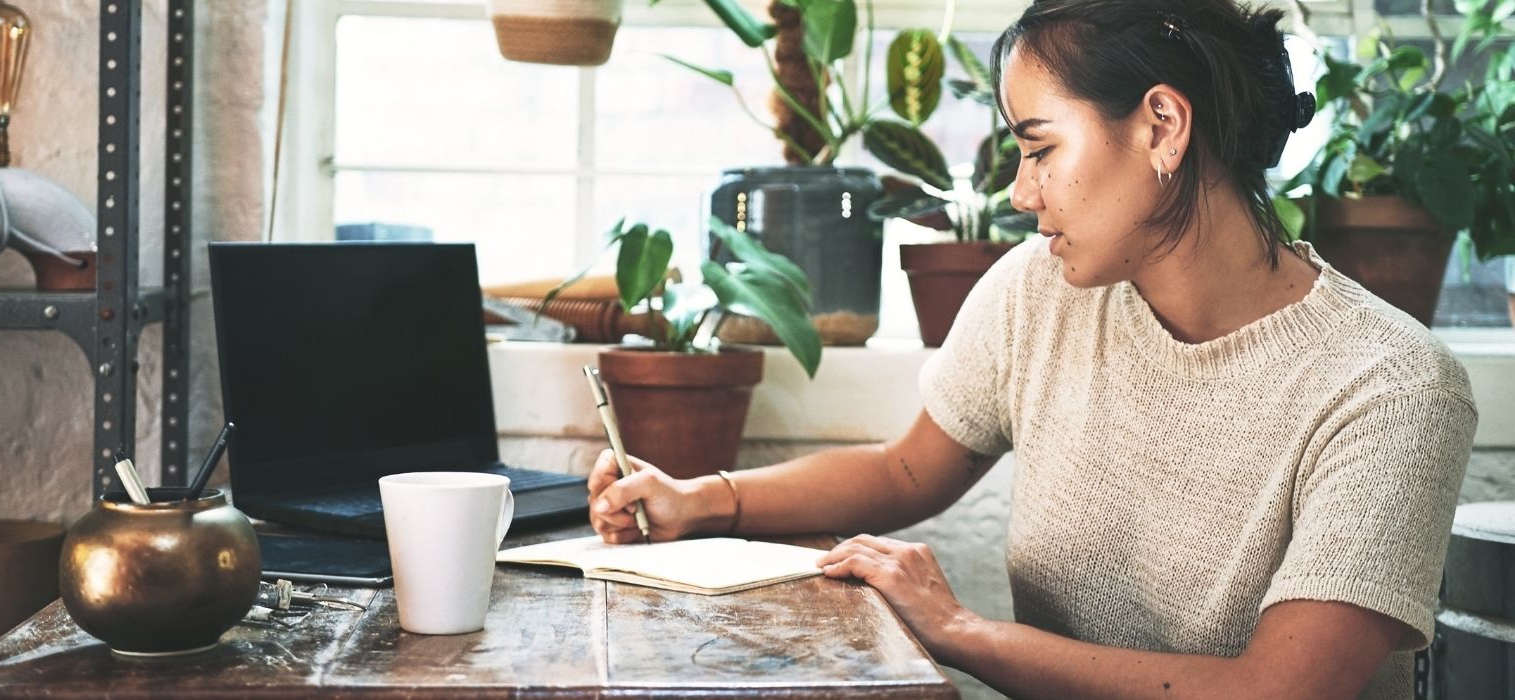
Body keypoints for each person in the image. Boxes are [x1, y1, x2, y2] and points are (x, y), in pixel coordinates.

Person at [586, 0, 1478, 697]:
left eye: (1038, 149)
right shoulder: (1040, 289)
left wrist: (961, 630)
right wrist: (702, 499)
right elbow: (907, 472)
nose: (1019, 192)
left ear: (1162, 126)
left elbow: (1276, 691)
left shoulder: (1391, 386)